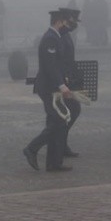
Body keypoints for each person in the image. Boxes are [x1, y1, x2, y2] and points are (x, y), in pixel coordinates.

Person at [23, 10, 74, 172]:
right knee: (58, 122)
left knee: (56, 123)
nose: (68, 25)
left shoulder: (56, 37)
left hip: (54, 87)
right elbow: (50, 66)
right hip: (48, 88)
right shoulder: (50, 39)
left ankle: (54, 163)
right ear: (59, 21)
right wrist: (62, 85)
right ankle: (31, 148)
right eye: (66, 22)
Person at [58, 7, 83, 158]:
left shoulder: (66, 34)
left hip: (68, 79)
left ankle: (61, 143)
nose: (75, 24)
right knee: (71, 111)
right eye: (73, 20)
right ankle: (55, 143)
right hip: (62, 81)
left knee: (71, 111)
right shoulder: (61, 35)